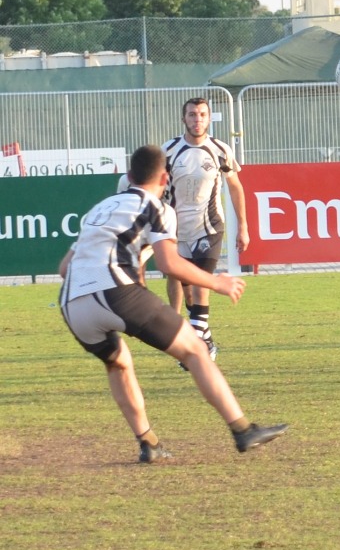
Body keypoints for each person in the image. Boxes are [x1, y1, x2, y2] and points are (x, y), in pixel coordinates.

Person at [58, 145, 287, 462]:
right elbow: (169, 264)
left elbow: (64, 268)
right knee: (195, 350)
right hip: (115, 291)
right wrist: (217, 283)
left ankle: (149, 443)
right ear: (165, 179)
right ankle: (242, 429)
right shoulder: (157, 207)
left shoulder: (100, 209)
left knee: (118, 362)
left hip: (72, 303)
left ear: (129, 177)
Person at [162, 97, 249, 362]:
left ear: (209, 118)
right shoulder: (169, 151)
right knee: (182, 283)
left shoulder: (220, 149)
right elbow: (155, 187)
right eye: (192, 114)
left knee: (201, 279)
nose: (197, 119)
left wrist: (243, 226)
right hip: (176, 229)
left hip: (209, 226)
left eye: (202, 114)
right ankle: (200, 334)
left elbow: (235, 186)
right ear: (183, 119)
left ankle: (194, 346)